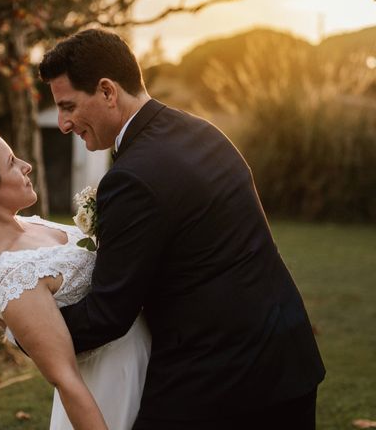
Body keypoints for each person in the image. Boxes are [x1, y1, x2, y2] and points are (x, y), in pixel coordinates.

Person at [37, 28, 326, 430]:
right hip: (287, 362)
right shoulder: (203, 132)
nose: (65, 123)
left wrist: (30, 328)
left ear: (107, 91)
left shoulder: (132, 177)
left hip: (216, 382)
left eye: (69, 106)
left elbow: (108, 314)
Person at [0, 127, 151, 430]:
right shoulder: (14, 278)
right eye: (12, 161)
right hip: (110, 387)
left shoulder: (28, 223)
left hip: (146, 357)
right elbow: (65, 379)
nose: (26, 165)